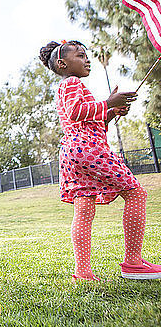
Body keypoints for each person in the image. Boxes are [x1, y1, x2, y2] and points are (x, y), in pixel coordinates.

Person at [39, 40, 161, 282]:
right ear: (62, 63)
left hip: (73, 152)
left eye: (87, 56)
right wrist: (108, 103)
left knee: (84, 209)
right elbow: (76, 111)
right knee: (136, 193)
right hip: (89, 149)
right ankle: (133, 263)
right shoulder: (72, 83)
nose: (87, 60)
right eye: (81, 55)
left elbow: (86, 119)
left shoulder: (66, 86)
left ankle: (83, 272)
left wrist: (111, 112)